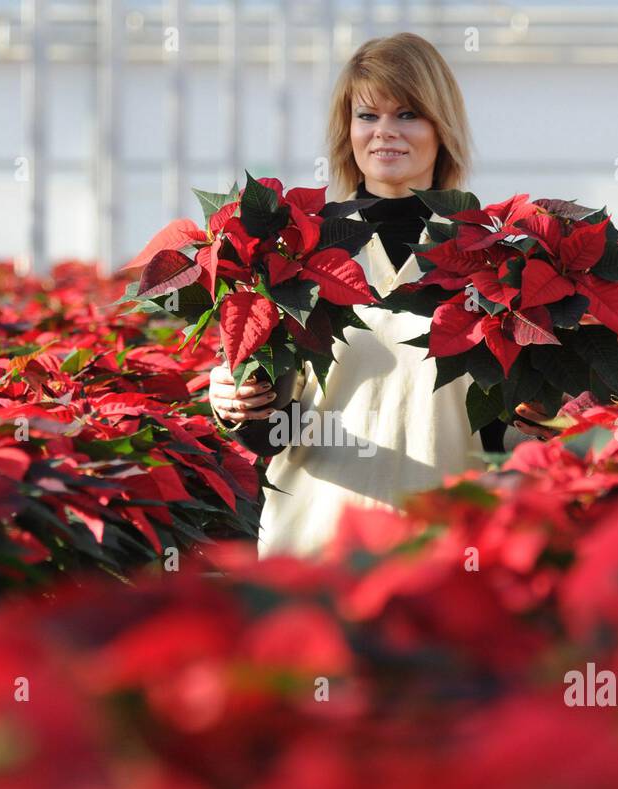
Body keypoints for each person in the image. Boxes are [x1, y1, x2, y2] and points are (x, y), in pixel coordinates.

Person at [210, 32, 553, 558]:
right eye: (367, 116)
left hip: (444, 552)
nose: (385, 133)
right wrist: (239, 403)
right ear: (347, 131)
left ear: (442, 128)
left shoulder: (491, 258)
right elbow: (274, 433)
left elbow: (505, 437)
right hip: (316, 543)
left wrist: (550, 411)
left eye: (408, 114)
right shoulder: (297, 248)